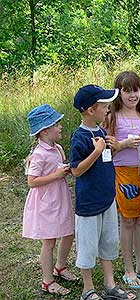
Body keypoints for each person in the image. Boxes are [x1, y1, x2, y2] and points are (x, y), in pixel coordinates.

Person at [69, 85, 136, 300]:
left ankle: (110, 285)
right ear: (91, 110)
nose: (108, 109)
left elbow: (106, 159)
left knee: (108, 243)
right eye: (105, 106)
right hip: (88, 204)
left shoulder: (101, 131)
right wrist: (97, 151)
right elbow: (76, 170)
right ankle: (87, 289)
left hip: (107, 199)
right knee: (88, 247)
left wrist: (113, 147)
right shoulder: (78, 137)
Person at [104, 71, 140, 289]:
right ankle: (128, 268)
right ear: (119, 93)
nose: (132, 95)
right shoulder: (112, 116)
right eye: (127, 91)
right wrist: (126, 144)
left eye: (135, 90)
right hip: (123, 172)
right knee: (127, 220)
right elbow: (107, 151)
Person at [23, 104, 77, 296]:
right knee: (49, 241)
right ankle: (47, 280)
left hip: (60, 198)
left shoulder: (58, 148)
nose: (60, 127)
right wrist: (56, 175)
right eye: (57, 124)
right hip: (46, 203)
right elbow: (32, 181)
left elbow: (59, 169)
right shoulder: (39, 154)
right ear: (45, 130)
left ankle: (60, 267)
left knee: (69, 233)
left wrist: (67, 169)